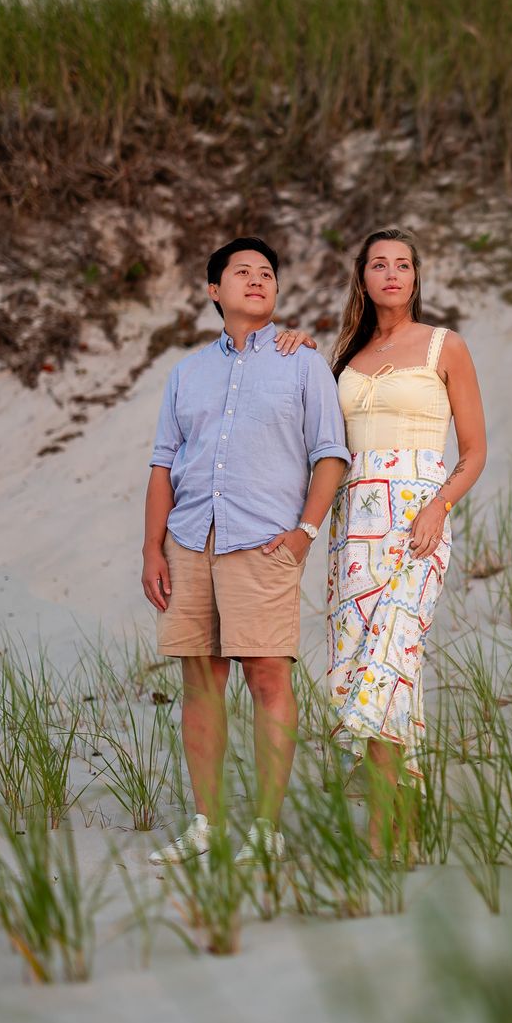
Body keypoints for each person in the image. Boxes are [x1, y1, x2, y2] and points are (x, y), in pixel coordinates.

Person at [140, 237, 349, 865]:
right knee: (201, 683)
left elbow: (331, 454)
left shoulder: (301, 361)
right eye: (242, 272)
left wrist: (304, 534)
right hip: (190, 541)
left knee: (267, 677)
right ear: (214, 290)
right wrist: (152, 548)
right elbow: (163, 463)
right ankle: (207, 825)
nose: (257, 280)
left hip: (263, 542)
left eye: (267, 273)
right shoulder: (187, 373)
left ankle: (266, 827)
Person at [323, 227, 487, 860]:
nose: (391, 274)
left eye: (403, 264)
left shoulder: (445, 346)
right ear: (362, 277)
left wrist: (438, 508)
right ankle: (401, 830)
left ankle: (383, 833)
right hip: (351, 533)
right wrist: (293, 348)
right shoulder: (347, 354)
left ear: (417, 277)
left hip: (416, 523)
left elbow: (474, 452)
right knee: (373, 671)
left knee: (391, 663)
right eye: (378, 264)